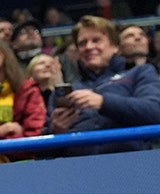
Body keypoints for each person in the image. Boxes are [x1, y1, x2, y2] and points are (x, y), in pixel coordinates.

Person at [50, 16, 160, 155]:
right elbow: (42, 151)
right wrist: (57, 131)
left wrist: (103, 102)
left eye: (96, 40)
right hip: (77, 169)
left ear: (115, 47)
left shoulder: (139, 73)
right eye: (82, 43)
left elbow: (155, 111)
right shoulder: (67, 91)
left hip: (131, 165)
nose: (89, 47)